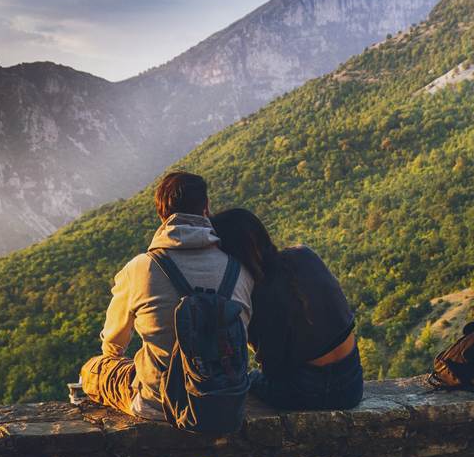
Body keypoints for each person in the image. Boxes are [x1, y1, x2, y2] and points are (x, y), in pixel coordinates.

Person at [79, 173, 254, 419]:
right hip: (224, 398)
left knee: (93, 369)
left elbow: (113, 341)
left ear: (161, 214)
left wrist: (115, 359)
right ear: (206, 208)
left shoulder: (141, 267)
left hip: (158, 402)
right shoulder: (239, 270)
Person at [210, 208, 363, 410]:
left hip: (311, 391)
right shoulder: (304, 254)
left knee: (249, 380)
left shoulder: (258, 294)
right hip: (353, 381)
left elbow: (273, 372)